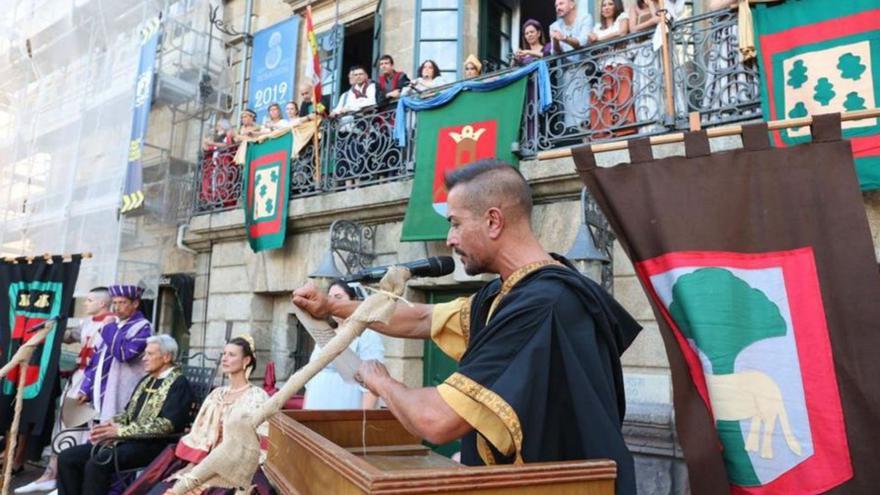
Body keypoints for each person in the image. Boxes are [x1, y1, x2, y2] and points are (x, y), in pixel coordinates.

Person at [292, 159, 641, 495]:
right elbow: (421, 318)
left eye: (455, 223)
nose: (449, 239)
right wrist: (332, 306)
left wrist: (380, 381)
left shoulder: (541, 304)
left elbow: (435, 421)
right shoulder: (507, 292)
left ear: (493, 221)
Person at [123, 335, 275, 495]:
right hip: (203, 464)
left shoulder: (257, 397)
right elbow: (200, 436)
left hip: (232, 469)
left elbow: (260, 442)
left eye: (231, 355)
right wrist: (189, 468)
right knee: (162, 488)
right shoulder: (216, 395)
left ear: (246, 361)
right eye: (224, 354)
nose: (225, 359)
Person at [57, 335, 194, 495]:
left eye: (150, 354)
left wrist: (120, 432)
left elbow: (167, 425)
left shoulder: (179, 384)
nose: (144, 358)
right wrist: (108, 425)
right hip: (128, 441)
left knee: (98, 462)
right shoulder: (147, 380)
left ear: (166, 357)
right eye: (145, 354)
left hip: (155, 446)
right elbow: (128, 413)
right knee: (67, 457)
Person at [15, 288, 114, 494]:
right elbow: (71, 336)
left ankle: (67, 480)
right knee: (62, 426)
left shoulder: (111, 324)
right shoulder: (87, 322)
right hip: (77, 377)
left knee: (80, 427)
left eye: (89, 300)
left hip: (93, 382)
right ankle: (51, 475)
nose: (85, 304)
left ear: (102, 303)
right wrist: (53, 329)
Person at [303, 281, 384, 410]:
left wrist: (361, 419)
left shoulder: (366, 335)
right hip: (316, 401)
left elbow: (372, 380)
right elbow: (310, 376)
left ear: (353, 301)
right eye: (330, 298)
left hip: (347, 401)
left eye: (338, 297)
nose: (332, 302)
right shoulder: (324, 333)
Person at [77, 284, 152, 425]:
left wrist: (110, 328)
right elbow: (96, 359)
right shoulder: (115, 324)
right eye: (115, 303)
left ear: (135, 303)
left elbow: (124, 354)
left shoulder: (143, 327)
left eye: (122, 303)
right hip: (101, 389)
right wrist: (86, 388)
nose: (117, 308)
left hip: (122, 391)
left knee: (112, 434)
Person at [588, 0, 636, 139]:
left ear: (616, 6)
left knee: (623, 94)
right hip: (605, 65)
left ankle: (625, 130)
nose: (606, 7)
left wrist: (599, 39)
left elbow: (621, 32)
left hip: (620, 62)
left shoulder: (622, 17)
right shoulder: (597, 27)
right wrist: (598, 39)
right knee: (605, 97)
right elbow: (593, 44)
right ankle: (604, 133)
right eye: (604, 5)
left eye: (610, 4)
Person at [549, 0, 593, 130]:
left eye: (561, 4)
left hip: (585, 70)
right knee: (571, 117)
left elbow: (582, 42)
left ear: (572, 4)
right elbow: (555, 52)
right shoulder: (554, 26)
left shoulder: (585, 18)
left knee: (585, 114)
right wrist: (556, 41)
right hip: (567, 73)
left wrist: (564, 38)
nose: (558, 7)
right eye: (556, 5)